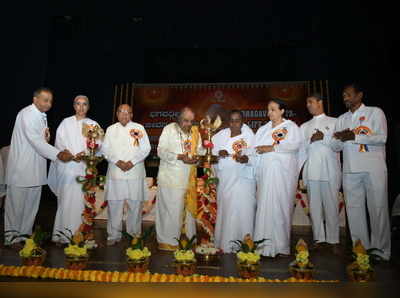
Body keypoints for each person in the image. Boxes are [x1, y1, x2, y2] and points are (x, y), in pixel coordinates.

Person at [4, 87, 73, 248]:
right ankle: (11, 238)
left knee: (31, 206)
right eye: (45, 100)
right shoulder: (27, 114)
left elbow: (40, 141)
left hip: (35, 169)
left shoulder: (41, 116)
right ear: (35, 99)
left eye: (50, 101)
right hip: (21, 168)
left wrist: (47, 140)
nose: (48, 104)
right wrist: (58, 154)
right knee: (16, 206)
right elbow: (35, 141)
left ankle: (24, 235)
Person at [331, 83, 390, 260]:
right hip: (350, 170)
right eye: (343, 95)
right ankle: (361, 251)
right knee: (354, 211)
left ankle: (380, 252)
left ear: (359, 95)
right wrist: (340, 138)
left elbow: (382, 138)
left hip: (373, 168)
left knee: (377, 209)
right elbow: (334, 146)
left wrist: (354, 136)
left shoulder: (375, 112)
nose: (345, 98)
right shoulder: (341, 118)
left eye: (348, 94)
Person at [251, 98, 302, 257]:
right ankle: (262, 246)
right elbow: (254, 148)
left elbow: (294, 145)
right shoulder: (263, 129)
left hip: (282, 176)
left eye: (273, 109)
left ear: (282, 111)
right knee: (265, 207)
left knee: (279, 208)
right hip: (265, 175)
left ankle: (281, 246)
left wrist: (272, 148)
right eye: (268, 109)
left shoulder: (290, 127)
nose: (269, 113)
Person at [48, 95, 100, 245]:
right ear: (74, 106)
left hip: (85, 168)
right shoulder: (65, 123)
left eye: (84, 104)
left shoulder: (93, 124)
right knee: (65, 200)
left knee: (81, 202)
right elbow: (59, 143)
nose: (81, 107)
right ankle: (62, 235)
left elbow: (99, 144)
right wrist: (71, 155)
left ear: (88, 107)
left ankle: (80, 235)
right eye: (78, 104)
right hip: (67, 168)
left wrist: (85, 154)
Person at [156, 107, 204, 250]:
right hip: (170, 179)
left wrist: (197, 158)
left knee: (187, 214)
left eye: (191, 121)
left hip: (188, 179)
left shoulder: (195, 133)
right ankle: (168, 242)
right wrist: (178, 157)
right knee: (170, 211)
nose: (189, 124)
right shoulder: (169, 130)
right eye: (185, 121)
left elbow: (200, 151)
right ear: (178, 119)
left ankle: (188, 240)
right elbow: (161, 151)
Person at [102, 104, 151, 246]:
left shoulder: (139, 128)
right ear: (117, 114)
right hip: (116, 172)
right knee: (114, 205)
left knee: (135, 205)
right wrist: (117, 162)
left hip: (134, 172)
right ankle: (113, 235)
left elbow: (146, 148)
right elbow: (105, 150)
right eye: (121, 112)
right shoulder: (111, 129)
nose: (124, 115)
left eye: (127, 112)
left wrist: (132, 162)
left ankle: (134, 235)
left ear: (131, 115)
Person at [300, 93, 341, 254]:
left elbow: (339, 146)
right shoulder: (304, 126)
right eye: (307, 103)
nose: (308, 105)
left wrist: (324, 137)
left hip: (329, 170)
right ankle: (319, 239)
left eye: (311, 102)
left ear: (320, 102)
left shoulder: (335, 122)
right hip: (312, 172)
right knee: (315, 207)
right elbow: (302, 151)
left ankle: (334, 240)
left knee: (331, 206)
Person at [212, 110, 256, 252]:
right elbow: (209, 154)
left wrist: (246, 159)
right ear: (228, 122)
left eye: (237, 120)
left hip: (243, 181)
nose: (234, 123)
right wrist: (219, 154)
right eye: (231, 120)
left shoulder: (249, 137)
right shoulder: (220, 136)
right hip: (225, 181)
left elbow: (256, 157)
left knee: (242, 210)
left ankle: (245, 243)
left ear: (242, 122)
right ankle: (225, 243)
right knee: (227, 211)